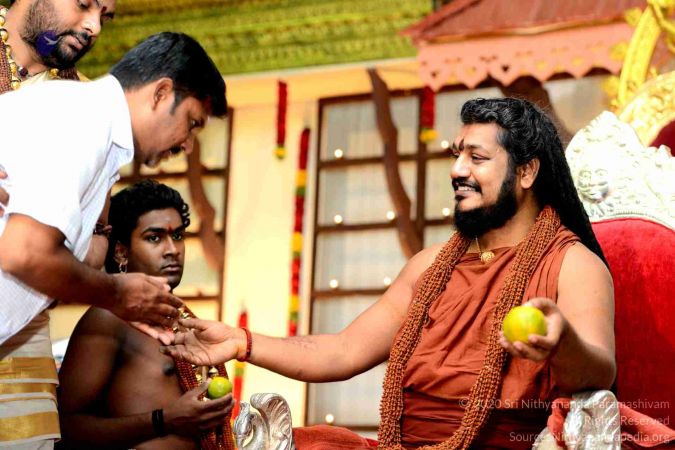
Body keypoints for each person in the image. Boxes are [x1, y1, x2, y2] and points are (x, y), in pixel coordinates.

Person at [161, 98, 616, 449]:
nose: (457, 170)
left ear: (527, 171)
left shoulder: (573, 264)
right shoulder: (430, 266)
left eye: (477, 158)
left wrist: (560, 342)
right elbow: (343, 350)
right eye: (456, 155)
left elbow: (600, 374)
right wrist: (241, 342)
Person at [0, 32, 227, 449]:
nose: (188, 143)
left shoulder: (97, 139)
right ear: (161, 93)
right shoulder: (84, 121)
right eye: (192, 122)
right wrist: (116, 294)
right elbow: (24, 252)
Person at [58, 180, 234, 450]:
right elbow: (66, 427)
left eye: (178, 236)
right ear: (121, 251)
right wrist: (165, 420)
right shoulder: (108, 318)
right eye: (154, 238)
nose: (172, 249)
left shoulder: (183, 318)